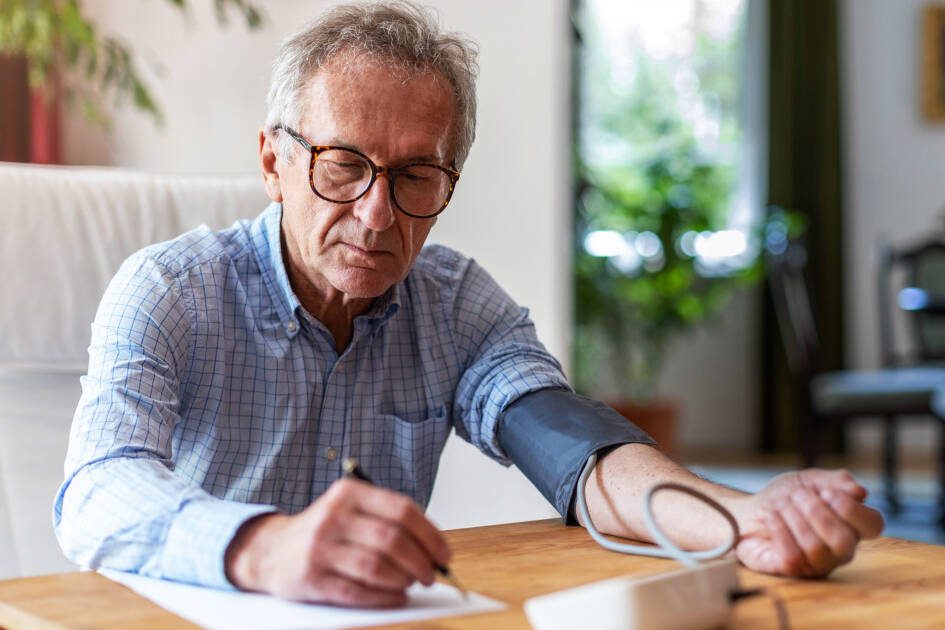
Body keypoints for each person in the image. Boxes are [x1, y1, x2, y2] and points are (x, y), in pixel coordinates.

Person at [54, 0, 883, 608]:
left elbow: (574, 450)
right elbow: (96, 491)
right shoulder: (168, 291)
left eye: (416, 176)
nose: (378, 215)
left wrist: (744, 519)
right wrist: (266, 547)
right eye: (343, 165)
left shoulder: (452, 305)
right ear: (273, 161)